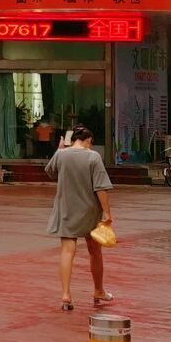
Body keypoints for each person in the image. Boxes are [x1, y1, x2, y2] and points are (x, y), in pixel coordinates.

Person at [43, 126, 114, 312]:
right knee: (95, 251)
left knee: (67, 251)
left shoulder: (61, 155)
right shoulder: (93, 157)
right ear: (88, 140)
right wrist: (107, 213)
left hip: (66, 209)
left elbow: (50, 172)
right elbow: (100, 188)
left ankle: (66, 295)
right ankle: (98, 290)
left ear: (72, 140)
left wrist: (59, 149)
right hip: (90, 211)